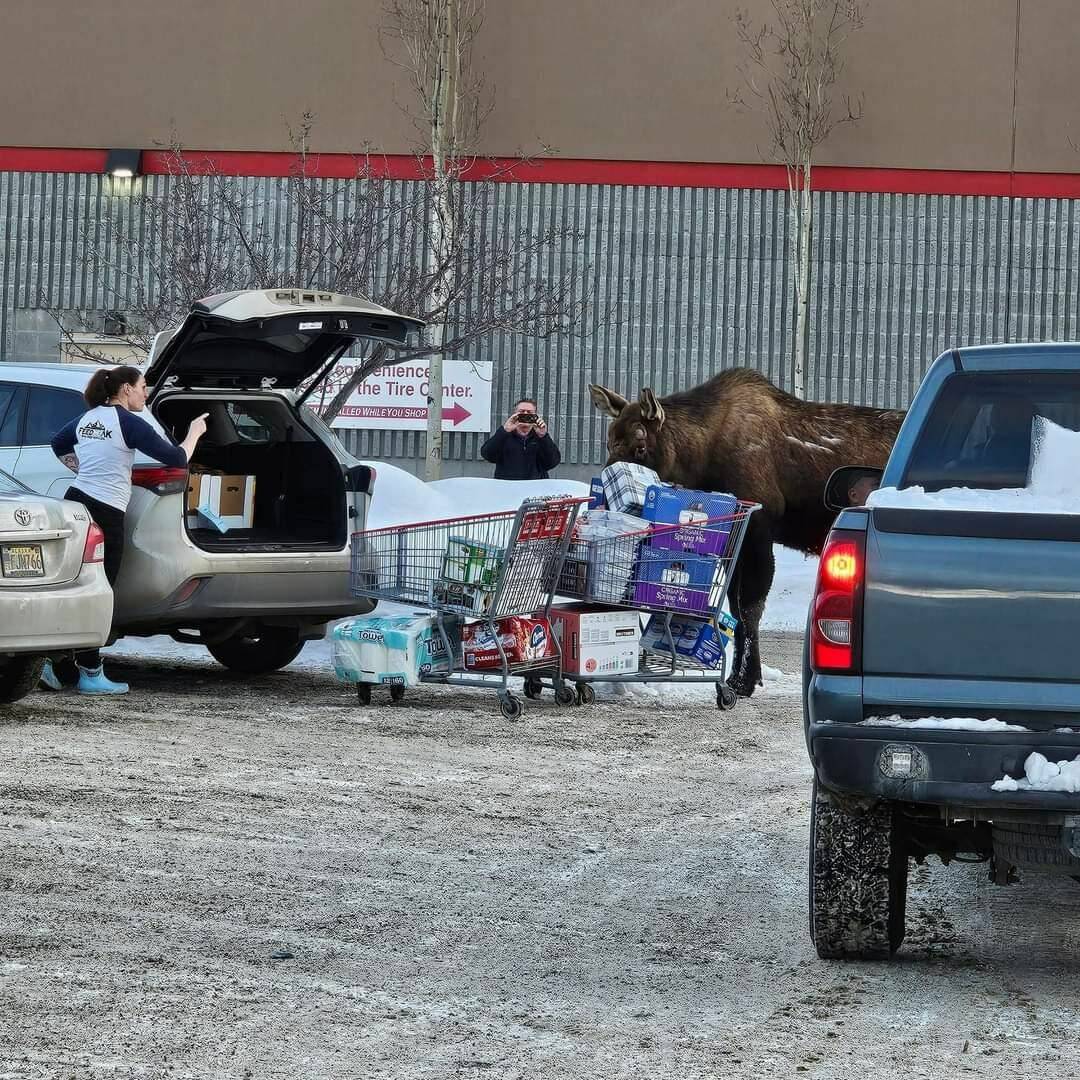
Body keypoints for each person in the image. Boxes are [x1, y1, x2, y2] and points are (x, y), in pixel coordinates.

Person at [40, 366, 207, 695]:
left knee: (76, 587)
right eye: (143, 387)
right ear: (126, 389)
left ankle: (53, 662)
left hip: (77, 502)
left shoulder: (88, 419)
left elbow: (58, 442)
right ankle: (90, 672)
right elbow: (176, 458)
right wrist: (195, 432)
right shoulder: (128, 422)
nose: (146, 393)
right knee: (100, 592)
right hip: (105, 511)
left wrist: (83, 468)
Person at [480, 397, 562, 480]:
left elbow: (552, 462)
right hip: (508, 487)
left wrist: (543, 436)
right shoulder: (504, 435)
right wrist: (504, 431)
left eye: (529, 412)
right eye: (522, 412)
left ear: (535, 416)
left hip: (536, 487)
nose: (525, 414)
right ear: (514, 414)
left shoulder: (540, 438)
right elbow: (487, 455)